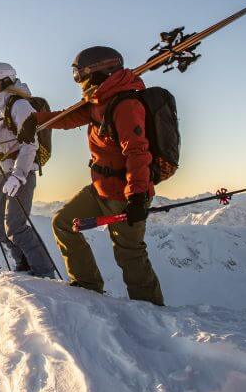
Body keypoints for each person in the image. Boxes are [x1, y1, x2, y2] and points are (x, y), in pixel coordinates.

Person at [17, 46, 164, 305]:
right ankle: (87, 287)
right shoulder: (100, 102)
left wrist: (138, 195)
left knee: (129, 252)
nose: (78, 81)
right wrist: (36, 120)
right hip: (101, 188)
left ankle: (151, 311)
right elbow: (69, 117)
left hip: (125, 192)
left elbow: (138, 153)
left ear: (96, 72)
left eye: (79, 74)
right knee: (63, 223)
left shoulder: (125, 104)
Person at [0, 63, 57, 277]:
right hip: (1, 174)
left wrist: (18, 175)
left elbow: (30, 144)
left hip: (20, 174)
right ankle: (23, 268)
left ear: (5, 79)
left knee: (16, 226)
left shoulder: (19, 105)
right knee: (0, 228)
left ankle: (44, 273)